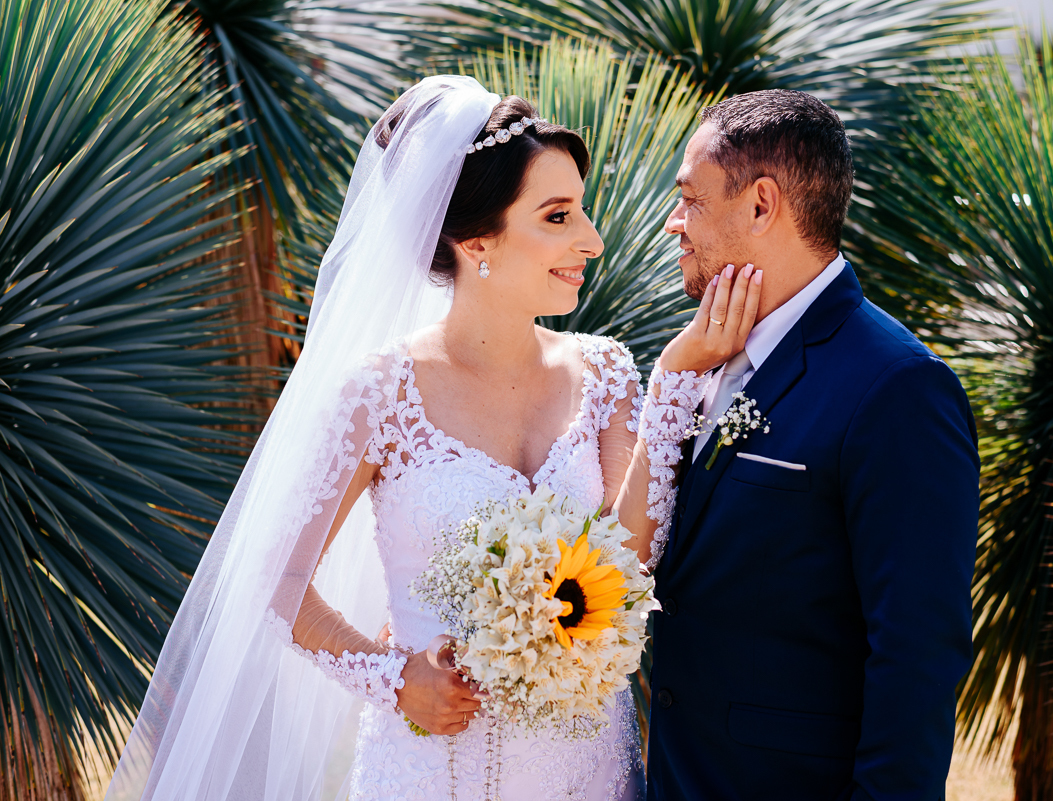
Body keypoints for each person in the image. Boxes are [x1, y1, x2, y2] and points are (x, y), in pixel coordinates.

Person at [106, 77, 753, 801]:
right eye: (558, 216)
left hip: (588, 772)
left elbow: (630, 560)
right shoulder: (380, 392)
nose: (591, 241)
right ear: (475, 240)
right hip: (431, 773)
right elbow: (275, 575)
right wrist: (394, 677)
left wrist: (672, 381)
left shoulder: (605, 372)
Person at [644, 90, 980, 799]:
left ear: (762, 205)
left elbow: (917, 654)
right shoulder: (703, 357)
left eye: (691, 200)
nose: (674, 224)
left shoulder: (898, 387)